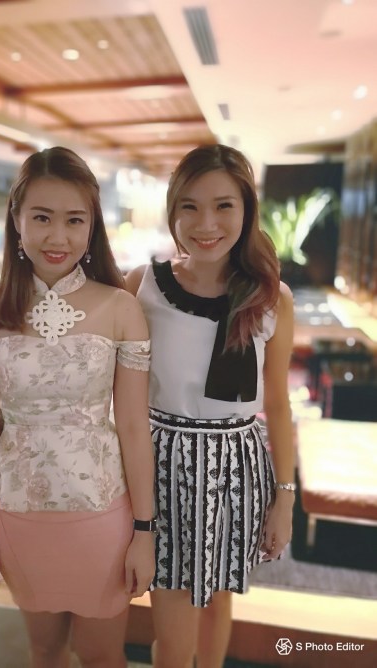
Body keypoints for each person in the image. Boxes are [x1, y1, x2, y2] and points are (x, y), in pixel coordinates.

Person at [0, 146, 156, 668]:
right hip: (20, 517)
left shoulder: (120, 307)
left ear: (92, 226)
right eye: (42, 218)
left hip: (104, 515)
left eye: (74, 220)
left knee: (102, 656)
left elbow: (134, 428)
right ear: (16, 219)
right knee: (44, 651)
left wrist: (145, 531)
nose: (58, 236)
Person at [125, 144, 295, 668]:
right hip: (164, 463)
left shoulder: (271, 296)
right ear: (173, 210)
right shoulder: (143, 285)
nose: (206, 224)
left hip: (238, 463)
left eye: (223, 206)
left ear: (246, 210)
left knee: (221, 600)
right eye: (190, 207)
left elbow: (279, 404)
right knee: (174, 637)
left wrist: (285, 499)